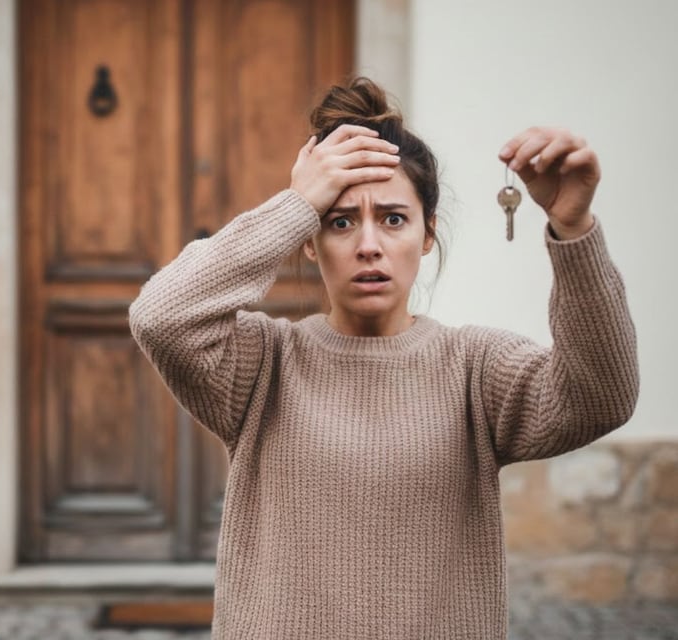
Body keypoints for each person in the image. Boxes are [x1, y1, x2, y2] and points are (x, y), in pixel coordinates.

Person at [128, 77, 639, 639]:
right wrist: (296, 204)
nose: (368, 245)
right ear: (308, 240)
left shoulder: (475, 368)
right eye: (340, 221)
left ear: (427, 234)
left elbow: (601, 399)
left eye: (393, 219)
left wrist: (573, 228)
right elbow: (160, 316)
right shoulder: (263, 364)